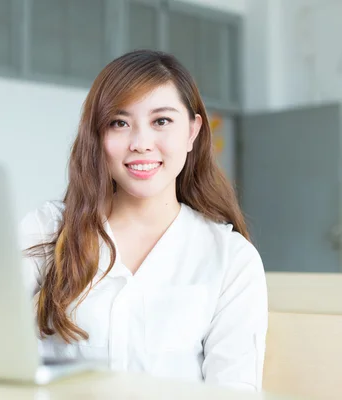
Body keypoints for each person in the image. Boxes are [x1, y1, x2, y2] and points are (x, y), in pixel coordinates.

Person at [20, 50, 268, 391]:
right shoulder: (48, 229)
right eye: (119, 123)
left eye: (161, 121)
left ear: (193, 131)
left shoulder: (231, 259)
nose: (140, 144)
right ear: (97, 135)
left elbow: (234, 392)